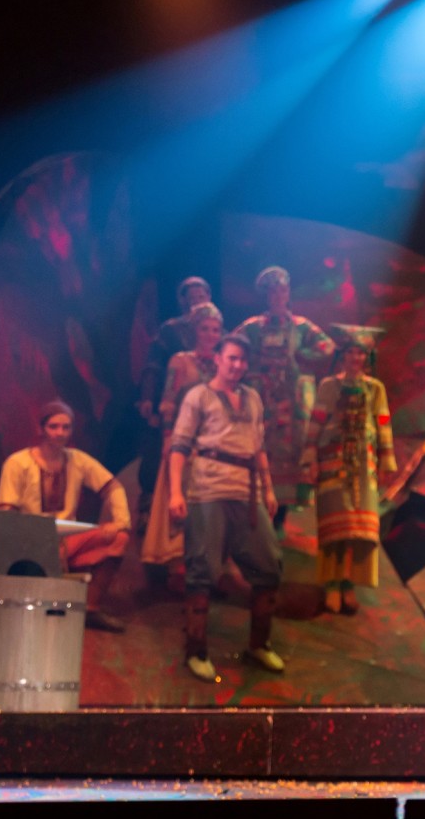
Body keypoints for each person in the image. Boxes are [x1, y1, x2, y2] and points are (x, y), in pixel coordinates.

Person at [166, 334, 286, 682]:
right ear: (217, 358)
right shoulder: (199, 396)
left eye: (243, 360)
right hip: (208, 490)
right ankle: (196, 651)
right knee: (202, 569)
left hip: (246, 493)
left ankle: (258, 645)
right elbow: (179, 446)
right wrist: (176, 492)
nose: (237, 365)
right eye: (232, 358)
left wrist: (268, 489)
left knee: (269, 564)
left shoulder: (253, 398)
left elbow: (258, 448)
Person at [0, 400, 132, 632]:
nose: (60, 433)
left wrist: (121, 521)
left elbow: (113, 487)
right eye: (54, 427)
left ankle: (90, 609)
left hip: (67, 538)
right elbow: (6, 512)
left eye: (66, 427)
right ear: (41, 428)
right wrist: (30, 540)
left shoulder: (77, 459)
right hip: (30, 540)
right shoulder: (18, 463)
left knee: (119, 538)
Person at [300, 325, 397, 616]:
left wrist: (386, 461)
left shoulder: (375, 388)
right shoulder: (329, 386)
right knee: (334, 526)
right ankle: (331, 583)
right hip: (333, 461)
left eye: (361, 353)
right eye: (351, 352)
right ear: (342, 355)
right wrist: (310, 457)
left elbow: (383, 423)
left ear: (367, 357)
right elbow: (316, 422)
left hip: (364, 466)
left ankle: (348, 582)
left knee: (359, 529)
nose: (355, 358)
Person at [235, 266, 335, 526]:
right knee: (260, 446)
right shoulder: (252, 327)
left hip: (292, 403)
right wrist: (250, 371)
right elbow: (231, 348)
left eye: (282, 291)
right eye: (272, 292)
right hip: (262, 401)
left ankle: (282, 516)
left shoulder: (301, 326)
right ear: (265, 296)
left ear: (288, 293)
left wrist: (302, 357)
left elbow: (327, 347)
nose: (278, 296)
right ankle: (258, 513)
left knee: (294, 451)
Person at [140, 301, 225, 585]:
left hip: (212, 442)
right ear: (194, 331)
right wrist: (168, 438)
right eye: (205, 328)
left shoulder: (222, 363)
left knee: (208, 502)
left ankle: (205, 564)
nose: (211, 334)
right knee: (180, 498)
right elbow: (168, 402)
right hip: (184, 442)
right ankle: (177, 562)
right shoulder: (180, 361)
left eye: (215, 329)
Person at [134, 276, 213, 528]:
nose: (197, 301)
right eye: (192, 298)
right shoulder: (172, 329)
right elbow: (154, 364)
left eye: (201, 296)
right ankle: (149, 507)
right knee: (160, 452)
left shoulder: (217, 330)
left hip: (206, 410)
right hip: (174, 400)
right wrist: (148, 396)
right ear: (182, 301)